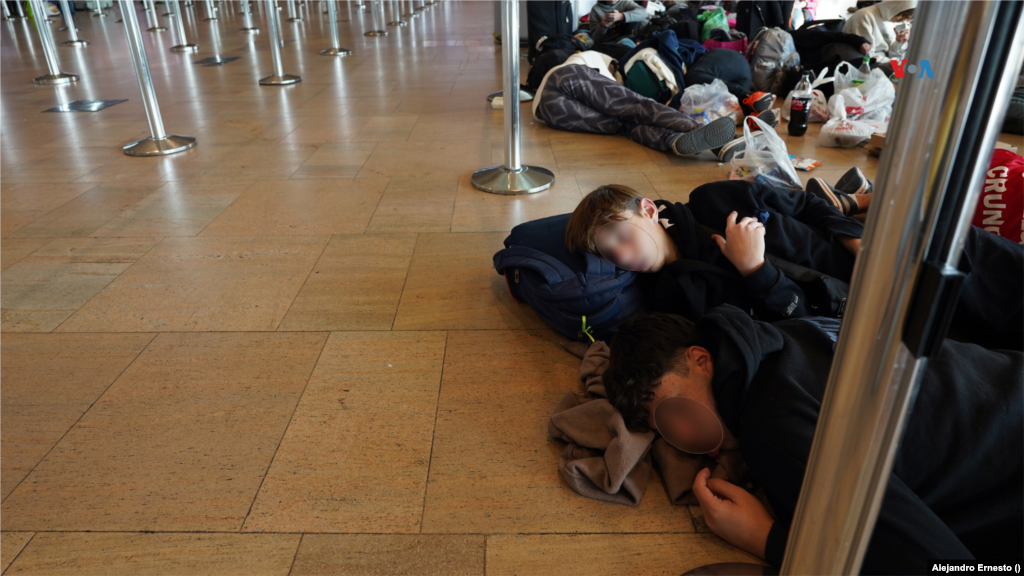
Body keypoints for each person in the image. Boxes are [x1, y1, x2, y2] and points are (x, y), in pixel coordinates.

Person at [601, 306, 1024, 573]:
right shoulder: (787, 333)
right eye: (669, 435)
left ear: (701, 359)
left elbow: (936, 564)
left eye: (675, 410)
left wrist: (768, 540)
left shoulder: (771, 423)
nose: (687, 436)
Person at [563, 177, 866, 321]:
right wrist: (754, 270)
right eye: (611, 254)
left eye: (623, 235)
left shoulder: (715, 200)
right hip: (851, 322)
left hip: (868, 264)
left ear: (649, 210)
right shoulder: (671, 300)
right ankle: (855, 198)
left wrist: (863, 247)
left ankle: (854, 201)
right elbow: (797, 324)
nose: (625, 257)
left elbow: (807, 206)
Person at [532, 51, 738, 157]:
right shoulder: (600, 61)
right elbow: (632, 103)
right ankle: (708, 133)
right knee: (638, 106)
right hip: (565, 78)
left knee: (624, 126)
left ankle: (672, 140)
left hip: (547, 112)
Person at [843, 0, 915, 72]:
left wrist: (899, 42)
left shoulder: (891, 20)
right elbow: (866, 55)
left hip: (881, 65)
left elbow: (894, 55)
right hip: (865, 67)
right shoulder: (865, 16)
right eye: (902, 17)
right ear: (896, 7)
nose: (901, 21)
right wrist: (896, 65)